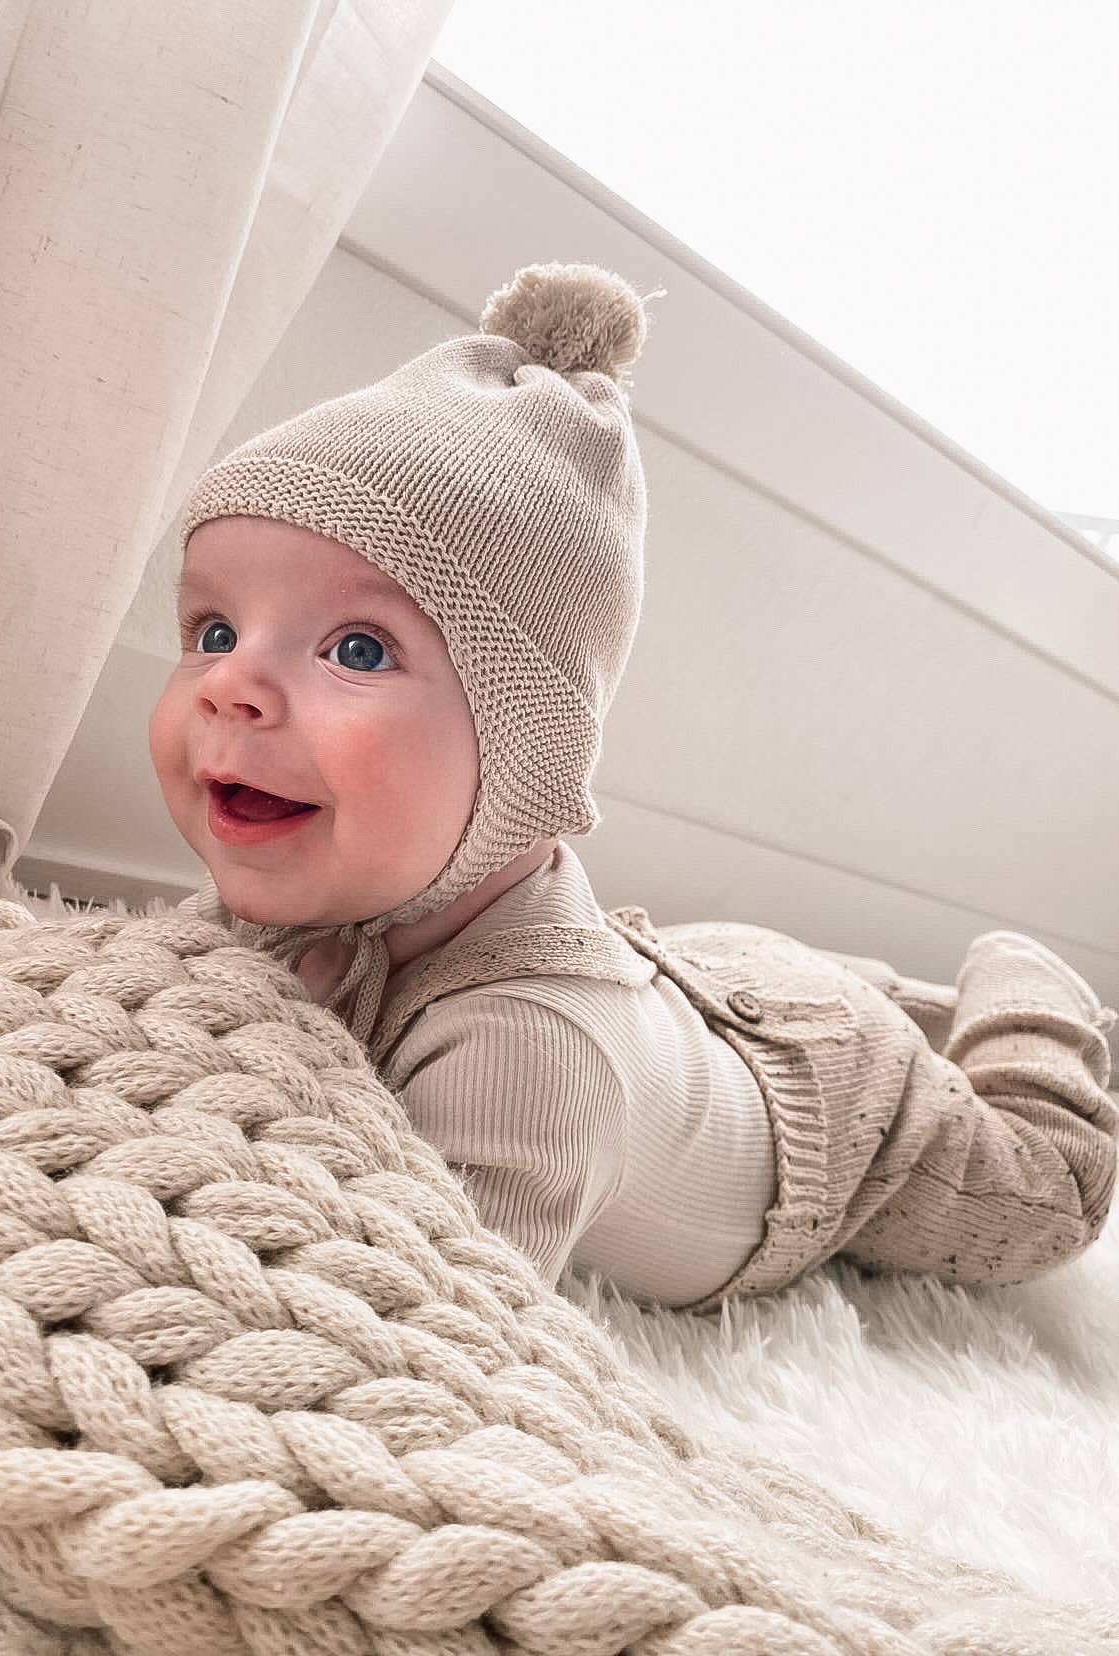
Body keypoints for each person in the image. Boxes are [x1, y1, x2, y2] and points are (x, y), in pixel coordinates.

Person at [151, 260, 1118, 1314]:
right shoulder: (330, 891)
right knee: (744, 980)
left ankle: (1022, 984)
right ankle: (885, 991)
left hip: (840, 1118)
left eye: (357, 650)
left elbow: (427, 1325)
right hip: (704, 972)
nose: (231, 686)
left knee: (1046, 1190)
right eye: (213, 631)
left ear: (530, 751)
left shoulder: (526, 1056)